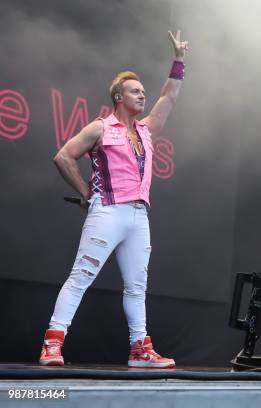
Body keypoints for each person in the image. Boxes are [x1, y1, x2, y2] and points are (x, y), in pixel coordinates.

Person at [39, 30, 189, 368]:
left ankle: (139, 349)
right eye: (135, 91)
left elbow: (169, 97)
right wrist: (86, 192)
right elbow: (63, 156)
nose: (142, 95)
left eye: (143, 91)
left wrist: (178, 61)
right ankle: (52, 343)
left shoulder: (147, 130)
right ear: (118, 96)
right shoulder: (100, 128)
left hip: (138, 216)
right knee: (81, 276)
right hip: (108, 211)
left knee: (137, 286)